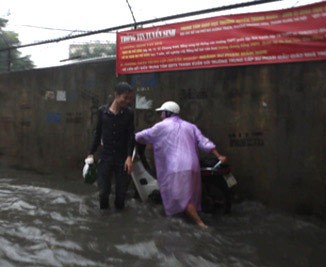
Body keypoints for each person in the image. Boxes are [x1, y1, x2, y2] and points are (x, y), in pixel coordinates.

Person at [135, 101, 227, 228]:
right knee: (189, 195)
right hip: (193, 166)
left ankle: (200, 224)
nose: (161, 115)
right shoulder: (190, 126)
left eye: (162, 112)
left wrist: (128, 137)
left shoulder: (161, 127)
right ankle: (187, 219)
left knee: (181, 198)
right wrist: (219, 156)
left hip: (176, 168)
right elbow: (204, 142)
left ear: (167, 113)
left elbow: (141, 136)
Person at [86, 82, 135, 210]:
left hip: (122, 159)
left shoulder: (129, 113)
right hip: (105, 157)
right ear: (116, 95)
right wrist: (91, 152)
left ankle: (119, 224)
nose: (128, 101)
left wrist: (129, 156)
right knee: (103, 193)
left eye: (130, 98)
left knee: (121, 195)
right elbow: (98, 133)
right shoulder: (102, 111)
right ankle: (104, 220)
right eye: (125, 98)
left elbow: (131, 136)